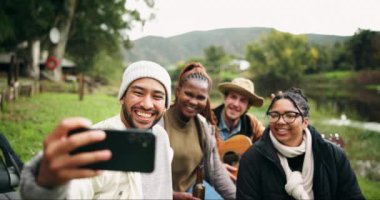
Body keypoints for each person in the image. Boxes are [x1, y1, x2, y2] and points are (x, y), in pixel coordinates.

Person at [19, 60, 173, 199]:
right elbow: (74, 192)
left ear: (166, 106)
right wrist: (48, 185)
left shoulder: (161, 137)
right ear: (122, 97)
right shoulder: (96, 141)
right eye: (138, 93)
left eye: (157, 97)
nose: (147, 104)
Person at [236, 87, 364, 200]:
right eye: (274, 115)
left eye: (290, 115)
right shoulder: (252, 159)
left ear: (305, 122)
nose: (280, 121)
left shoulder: (333, 155)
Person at [158, 62, 236, 199]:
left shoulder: (203, 126)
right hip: (162, 193)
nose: (194, 102)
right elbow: (143, 179)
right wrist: (171, 196)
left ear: (207, 99)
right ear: (178, 90)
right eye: (189, 94)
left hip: (193, 188)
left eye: (200, 97)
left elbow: (217, 172)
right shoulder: (159, 121)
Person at [213, 77, 265, 180]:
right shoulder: (207, 118)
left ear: (248, 107)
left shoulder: (252, 124)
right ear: (225, 98)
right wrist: (216, 168)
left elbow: (269, 141)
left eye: (243, 100)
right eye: (233, 97)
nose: (236, 104)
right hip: (210, 178)